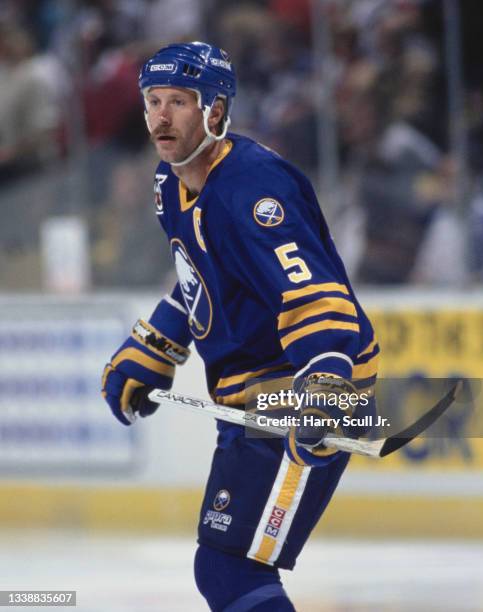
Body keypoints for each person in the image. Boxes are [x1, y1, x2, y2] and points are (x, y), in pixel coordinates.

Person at [101, 42, 379, 612]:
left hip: (300, 388)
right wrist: (155, 343)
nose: (160, 116)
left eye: (179, 101)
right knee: (225, 568)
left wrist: (327, 381)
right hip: (252, 397)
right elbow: (204, 274)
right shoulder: (168, 183)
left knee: (230, 569)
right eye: (152, 100)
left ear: (216, 112)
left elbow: (311, 290)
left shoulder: (255, 189)